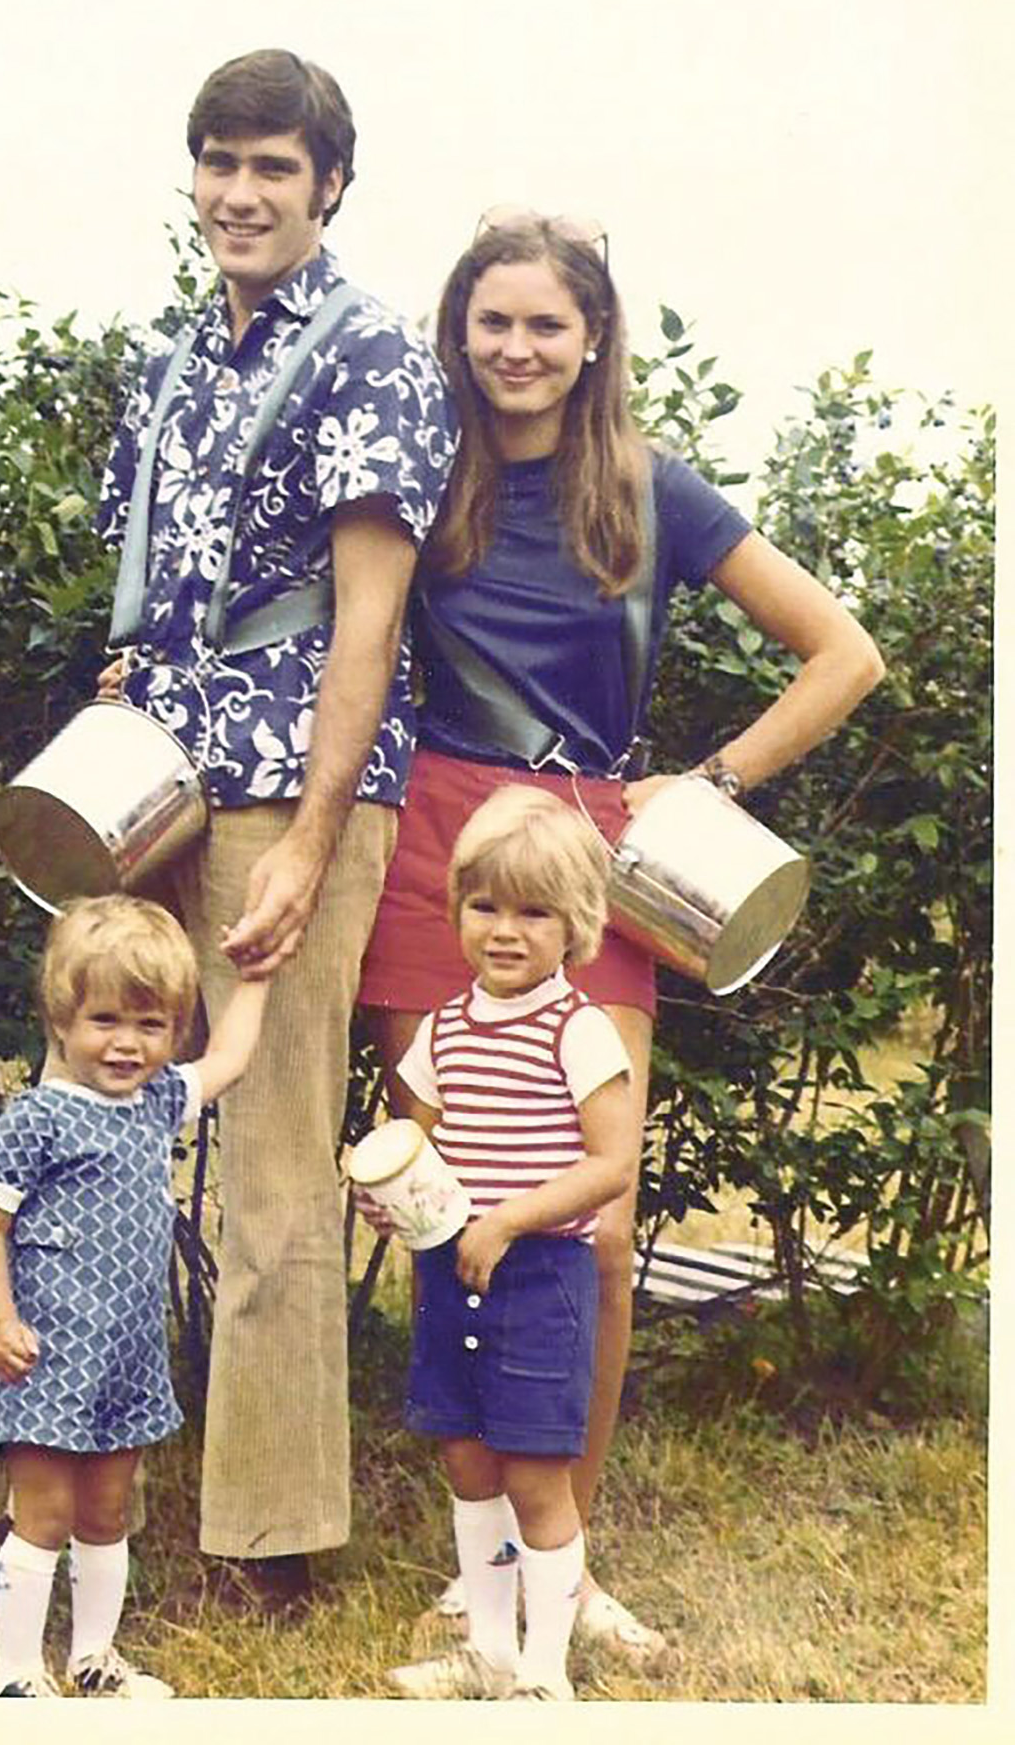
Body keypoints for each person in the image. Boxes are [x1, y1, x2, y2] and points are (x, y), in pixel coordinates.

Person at [358, 210, 885, 1658]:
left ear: (593, 338)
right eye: (492, 321)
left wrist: (709, 781)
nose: (517, 348)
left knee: (588, 1227)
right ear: (457, 333)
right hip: (435, 852)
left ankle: (565, 1570)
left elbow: (844, 650)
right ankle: (479, 1575)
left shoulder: (656, 489)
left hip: (590, 858)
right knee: (444, 1202)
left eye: (545, 323)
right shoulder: (422, 472)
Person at [93, 49, 455, 1611]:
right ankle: (94, 1491)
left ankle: (274, 1537)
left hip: (291, 795)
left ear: (330, 190)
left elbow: (366, 625)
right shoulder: (174, 363)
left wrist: (312, 840)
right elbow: (167, 590)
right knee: (115, 1120)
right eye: (219, 163)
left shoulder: (372, 352)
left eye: (275, 170)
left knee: (273, 1163)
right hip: (152, 791)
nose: (242, 194)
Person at [362, 785, 636, 1701]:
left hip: (540, 1275)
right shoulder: (442, 1029)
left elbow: (612, 1165)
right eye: (485, 905)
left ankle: (545, 1671)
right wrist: (393, 1198)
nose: (505, 930)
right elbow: (425, 1148)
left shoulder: (580, 1029)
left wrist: (512, 1217)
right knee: (466, 1459)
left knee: (534, 1472)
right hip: (455, 1269)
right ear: (456, 911)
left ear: (577, 924)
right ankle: (487, 1645)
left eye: (534, 911)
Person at [0, 894, 269, 1697]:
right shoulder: (35, 1121)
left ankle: (93, 1658)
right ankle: (16, 1673)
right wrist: (1, 1320)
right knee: (45, 1513)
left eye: (151, 1024)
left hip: (127, 1355)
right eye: (105, 1019)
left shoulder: (158, 1101)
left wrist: (257, 979)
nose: (127, 1043)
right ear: (61, 1019)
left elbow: (231, 1057)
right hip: (45, 1351)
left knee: (106, 1512)